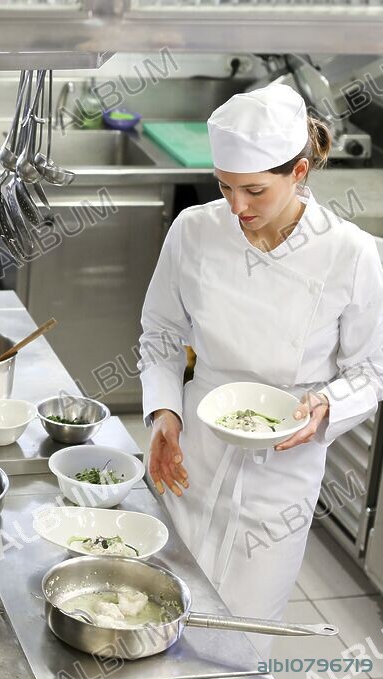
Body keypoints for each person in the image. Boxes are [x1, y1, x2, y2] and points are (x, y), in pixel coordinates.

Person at [138, 83, 383, 646]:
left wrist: (327, 405)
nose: (238, 208)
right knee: (160, 611)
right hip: (193, 450)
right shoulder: (195, 230)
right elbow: (161, 333)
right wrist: (163, 415)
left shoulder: (349, 252)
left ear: (299, 172)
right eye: (225, 187)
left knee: (242, 636)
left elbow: (370, 371)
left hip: (283, 473)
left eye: (254, 190)